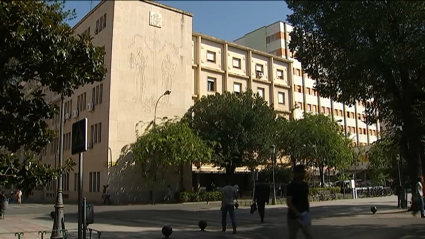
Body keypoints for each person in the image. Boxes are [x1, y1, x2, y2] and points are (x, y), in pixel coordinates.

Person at [286, 165, 313, 239]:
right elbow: (289, 202)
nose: (303, 174)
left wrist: (307, 212)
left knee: (309, 235)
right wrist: (296, 212)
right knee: (292, 236)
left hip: (304, 215)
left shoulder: (305, 185)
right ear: (295, 173)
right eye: (301, 172)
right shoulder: (291, 186)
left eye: (303, 172)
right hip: (293, 216)